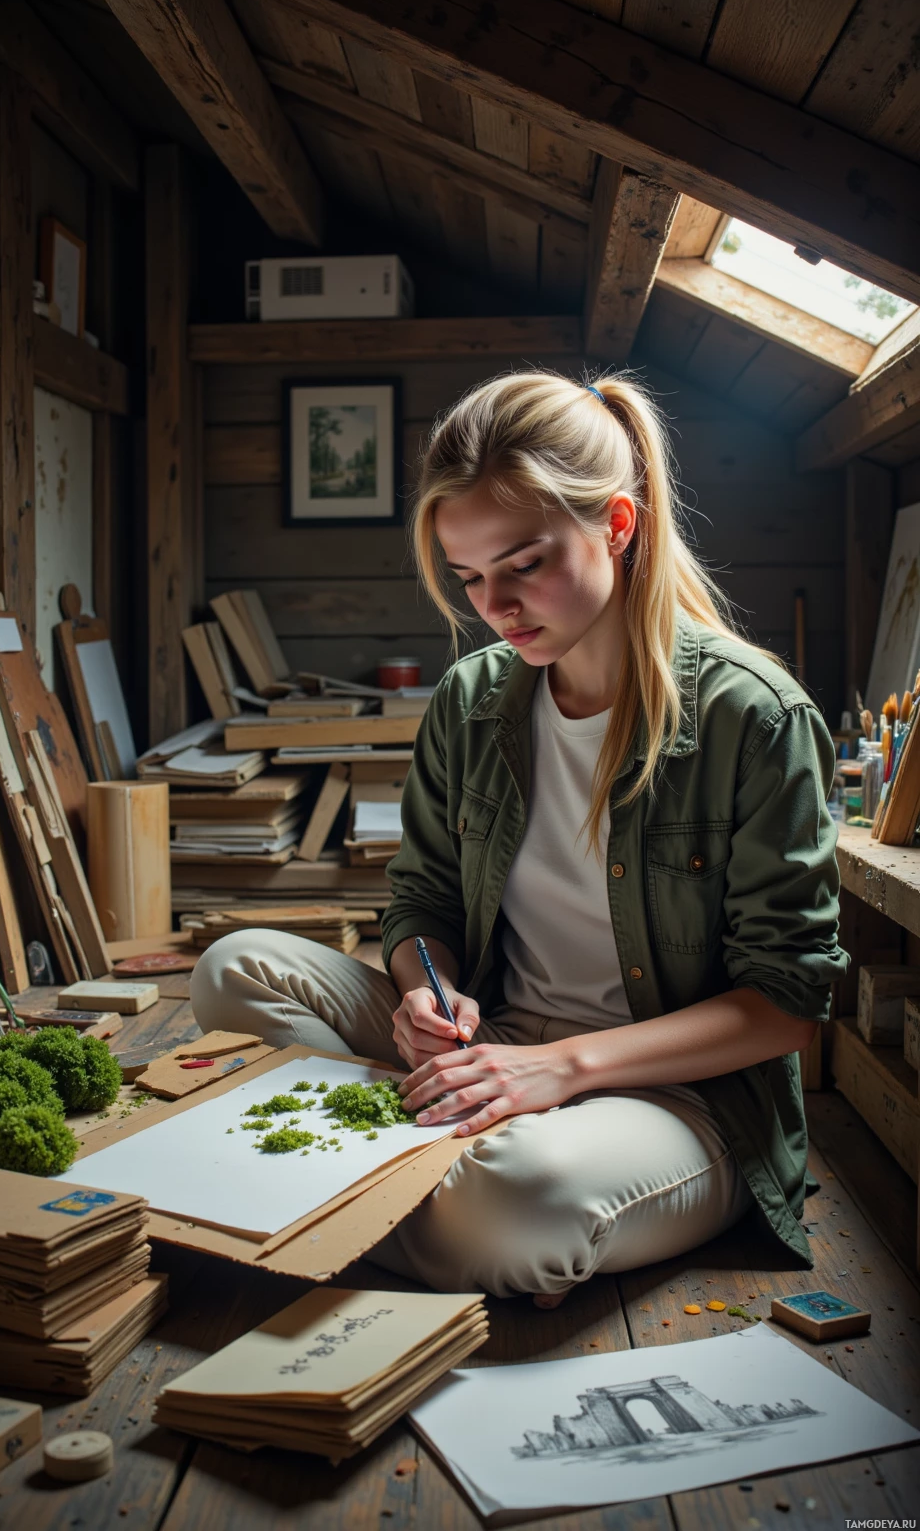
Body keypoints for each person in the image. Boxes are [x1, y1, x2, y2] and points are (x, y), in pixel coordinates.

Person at [191, 371, 848, 1303]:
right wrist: (432, 990)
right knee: (236, 966)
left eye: (524, 564)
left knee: (515, 1206)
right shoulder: (470, 701)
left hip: (676, 1097)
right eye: (468, 577)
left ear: (617, 525)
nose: (494, 605)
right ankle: (412, 1178)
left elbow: (789, 1002)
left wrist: (560, 1068)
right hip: (491, 1043)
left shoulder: (756, 717)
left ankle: (333, 1189)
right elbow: (419, 908)